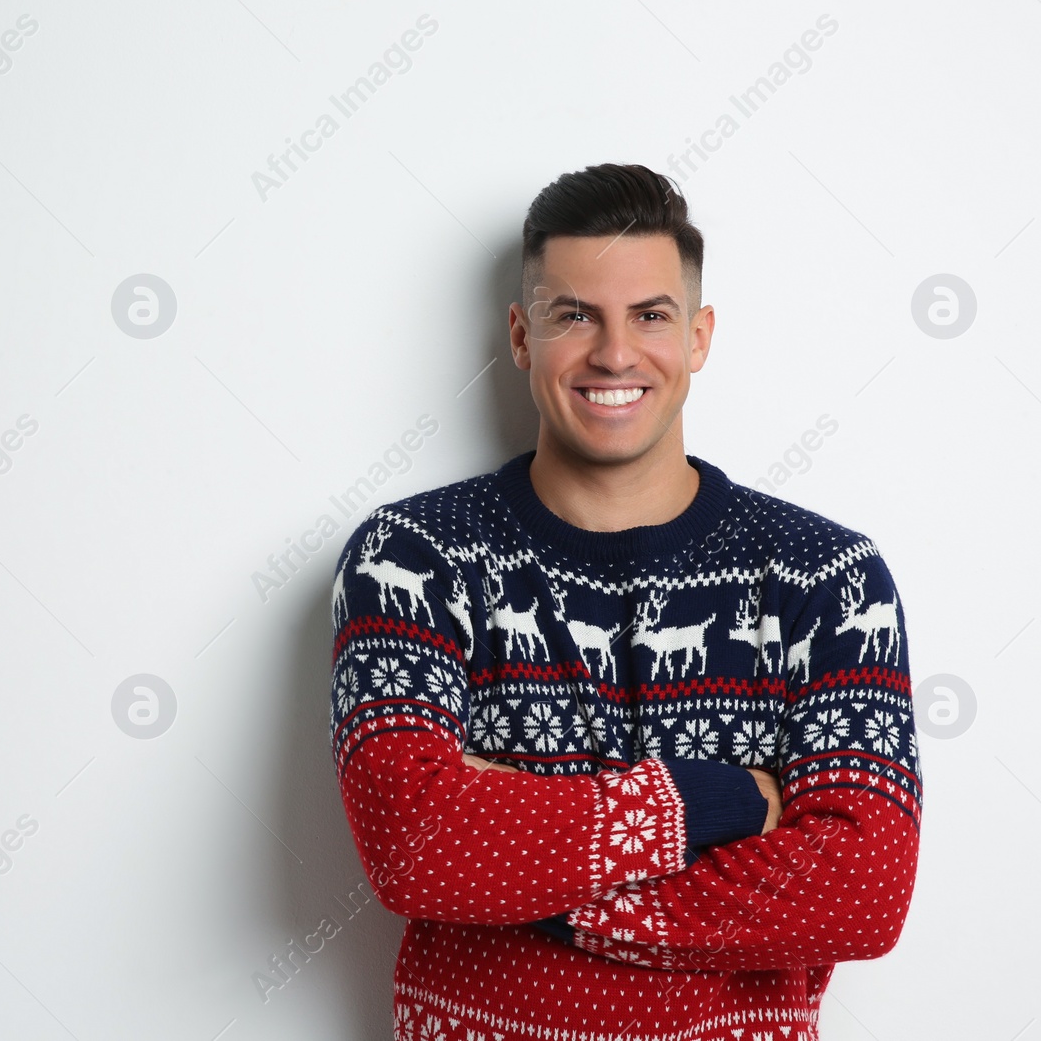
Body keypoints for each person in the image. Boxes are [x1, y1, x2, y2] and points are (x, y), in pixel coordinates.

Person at [327, 163, 922, 1041]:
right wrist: (716, 802)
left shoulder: (825, 578)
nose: (614, 353)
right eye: (575, 316)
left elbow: (863, 893)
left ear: (699, 337)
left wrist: (531, 874)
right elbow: (416, 845)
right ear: (523, 337)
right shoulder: (414, 556)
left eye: (651, 315)